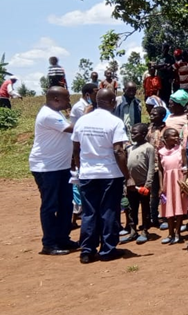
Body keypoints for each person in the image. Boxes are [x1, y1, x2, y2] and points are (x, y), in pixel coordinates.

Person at [72, 88, 132, 263]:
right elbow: (119, 150)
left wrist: (80, 168)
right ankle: (107, 249)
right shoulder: (115, 122)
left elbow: (76, 149)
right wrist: (127, 176)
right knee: (108, 211)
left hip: (87, 174)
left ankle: (87, 250)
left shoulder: (82, 122)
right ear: (113, 101)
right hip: (109, 174)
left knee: (89, 212)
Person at [29, 86, 76, 255]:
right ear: (56, 99)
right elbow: (72, 129)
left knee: (65, 203)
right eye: (66, 98)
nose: (69, 100)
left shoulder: (56, 112)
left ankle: (62, 238)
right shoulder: (48, 115)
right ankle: (49, 243)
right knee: (50, 205)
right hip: (47, 168)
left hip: (60, 167)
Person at [124, 122, 155, 245]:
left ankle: (145, 230)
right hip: (131, 185)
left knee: (145, 208)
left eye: (135, 133)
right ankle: (133, 230)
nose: (132, 135)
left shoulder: (149, 148)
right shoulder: (130, 148)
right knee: (132, 208)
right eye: (131, 133)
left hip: (143, 185)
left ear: (143, 134)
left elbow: (151, 168)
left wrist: (148, 184)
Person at [157, 127, 188, 244]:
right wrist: (161, 186)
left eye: (177, 135)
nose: (176, 137)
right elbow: (160, 170)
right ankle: (170, 233)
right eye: (173, 135)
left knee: (178, 208)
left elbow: (185, 167)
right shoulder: (160, 152)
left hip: (178, 181)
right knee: (168, 209)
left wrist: (183, 183)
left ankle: (177, 233)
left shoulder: (181, 150)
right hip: (167, 183)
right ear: (165, 138)